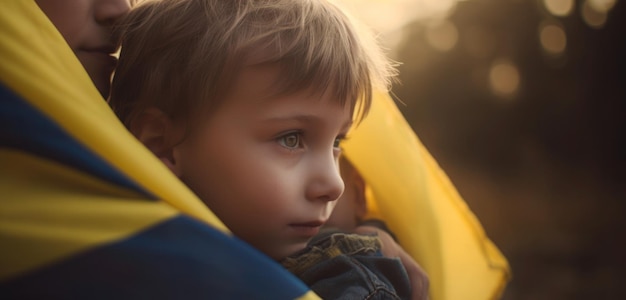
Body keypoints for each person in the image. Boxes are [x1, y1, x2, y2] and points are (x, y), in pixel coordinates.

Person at [109, 0, 426, 298]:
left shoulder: (341, 276)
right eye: (291, 138)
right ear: (161, 145)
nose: (334, 185)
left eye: (337, 142)